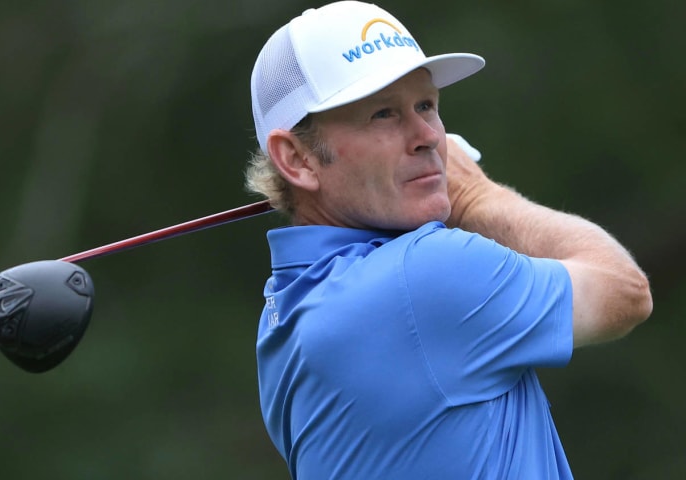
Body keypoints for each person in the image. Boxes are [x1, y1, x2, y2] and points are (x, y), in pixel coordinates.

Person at [245, 2, 653, 478]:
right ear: (297, 159)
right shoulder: (426, 274)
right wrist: (474, 194)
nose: (428, 137)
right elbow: (624, 290)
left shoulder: (282, 314)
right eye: (383, 114)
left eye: (425, 105)